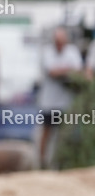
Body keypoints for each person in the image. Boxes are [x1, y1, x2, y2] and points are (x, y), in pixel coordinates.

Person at [38, 27, 83, 168]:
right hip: (49, 103)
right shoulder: (47, 52)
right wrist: (68, 71)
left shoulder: (72, 52)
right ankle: (42, 163)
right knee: (46, 133)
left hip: (66, 104)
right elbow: (52, 72)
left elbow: (78, 72)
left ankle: (61, 163)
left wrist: (62, 71)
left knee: (64, 135)